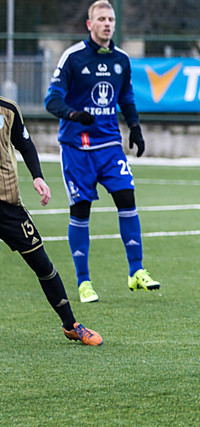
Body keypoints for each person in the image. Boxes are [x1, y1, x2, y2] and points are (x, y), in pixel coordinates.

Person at [44, 0, 159, 303]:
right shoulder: (72, 57)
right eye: (102, 19)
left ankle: (137, 271)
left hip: (109, 145)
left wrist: (134, 127)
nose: (108, 24)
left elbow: (126, 97)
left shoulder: (122, 59)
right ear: (89, 24)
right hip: (77, 147)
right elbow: (51, 100)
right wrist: (72, 114)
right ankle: (84, 282)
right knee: (81, 211)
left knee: (127, 197)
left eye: (111, 19)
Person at [0, 96, 102, 345]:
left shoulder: (9, 109)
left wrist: (37, 177)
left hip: (8, 206)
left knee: (42, 264)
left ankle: (71, 325)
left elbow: (25, 144)